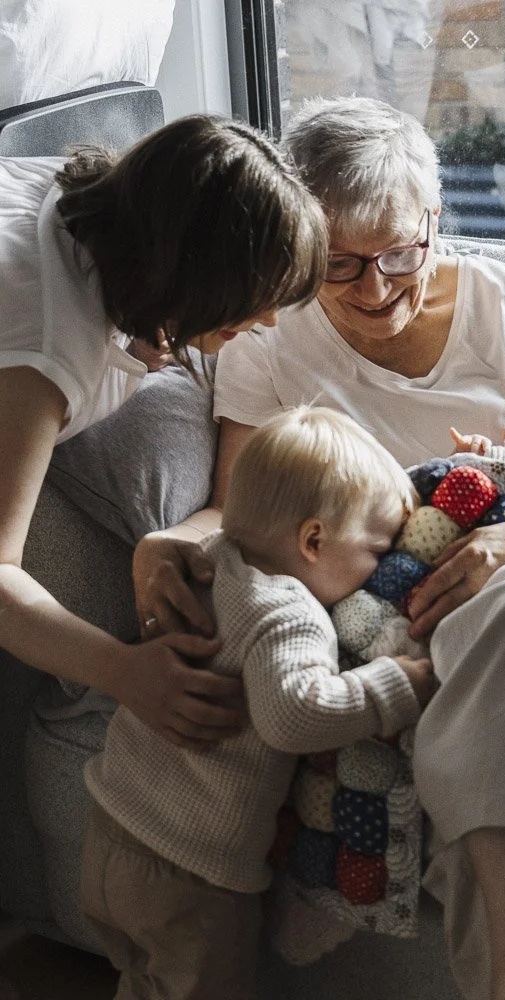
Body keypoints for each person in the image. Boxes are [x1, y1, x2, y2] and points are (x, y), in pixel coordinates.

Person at [135, 96, 505, 1000]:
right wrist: (165, 541)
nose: (375, 287)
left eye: (397, 253)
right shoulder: (268, 343)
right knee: (464, 695)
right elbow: (235, 509)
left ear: (433, 218)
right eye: (338, 265)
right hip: (425, 631)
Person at [81, 405, 433, 1000]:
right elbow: (294, 715)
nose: (378, 571)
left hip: (110, 831)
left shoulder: (209, 558)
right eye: (375, 551)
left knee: (138, 980)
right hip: (192, 874)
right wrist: (397, 684)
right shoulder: (289, 612)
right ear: (314, 539)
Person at [0, 112, 328, 749]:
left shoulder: (86, 198)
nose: (266, 322)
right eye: (253, 299)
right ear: (191, 273)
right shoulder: (44, 357)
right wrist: (123, 672)